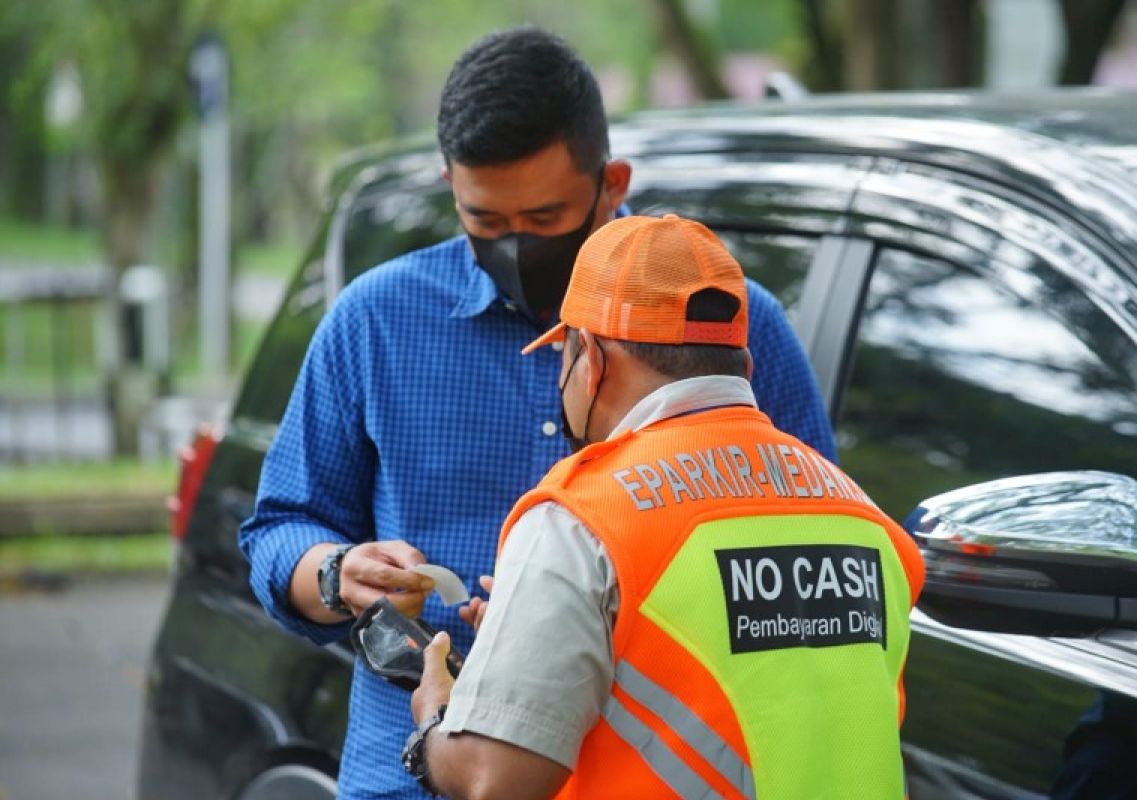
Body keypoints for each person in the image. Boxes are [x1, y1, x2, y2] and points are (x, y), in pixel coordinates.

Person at [239, 26, 836, 800]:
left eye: (546, 220)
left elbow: (809, 538)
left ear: (611, 182)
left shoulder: (727, 327)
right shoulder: (374, 322)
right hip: (411, 771)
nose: (516, 246)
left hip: (642, 774)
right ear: (450, 181)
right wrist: (332, 571)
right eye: (484, 222)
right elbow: (278, 526)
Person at [405, 214, 926, 800]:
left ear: (593, 360)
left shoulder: (582, 518)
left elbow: (493, 779)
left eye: (564, 356)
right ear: (744, 368)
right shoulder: (861, 518)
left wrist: (434, 716)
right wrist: (545, 627)